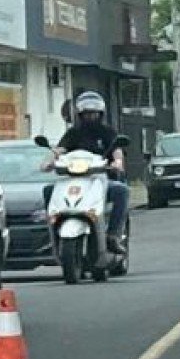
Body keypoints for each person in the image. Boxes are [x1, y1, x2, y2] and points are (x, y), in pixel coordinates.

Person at [53, 91, 129, 247]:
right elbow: (61, 149)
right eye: (87, 114)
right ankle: (54, 231)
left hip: (100, 180)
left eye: (94, 113)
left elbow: (117, 150)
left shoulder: (107, 132)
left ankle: (113, 235)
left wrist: (117, 162)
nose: (90, 117)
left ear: (100, 114)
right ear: (80, 114)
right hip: (74, 181)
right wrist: (50, 160)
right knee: (48, 190)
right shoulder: (73, 133)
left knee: (122, 191)